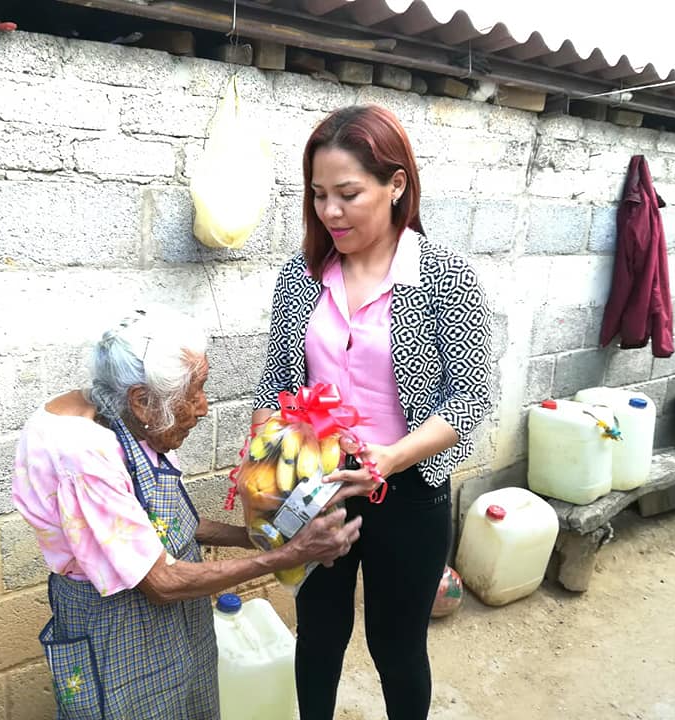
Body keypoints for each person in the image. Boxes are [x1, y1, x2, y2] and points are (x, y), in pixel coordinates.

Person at [252, 105, 492, 720]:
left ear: (396, 185)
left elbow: (466, 400)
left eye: (348, 193)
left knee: (397, 644)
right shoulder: (302, 276)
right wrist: (261, 464)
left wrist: (388, 459)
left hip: (408, 491)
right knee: (320, 635)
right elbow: (278, 382)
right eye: (319, 195)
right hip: (319, 487)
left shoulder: (446, 279)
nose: (330, 212)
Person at [12, 306, 361, 720]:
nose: (202, 407)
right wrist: (287, 556)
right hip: (118, 627)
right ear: (142, 401)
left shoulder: (119, 411)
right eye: (194, 391)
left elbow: (173, 524)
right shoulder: (81, 456)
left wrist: (263, 534)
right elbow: (161, 581)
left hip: (173, 622)